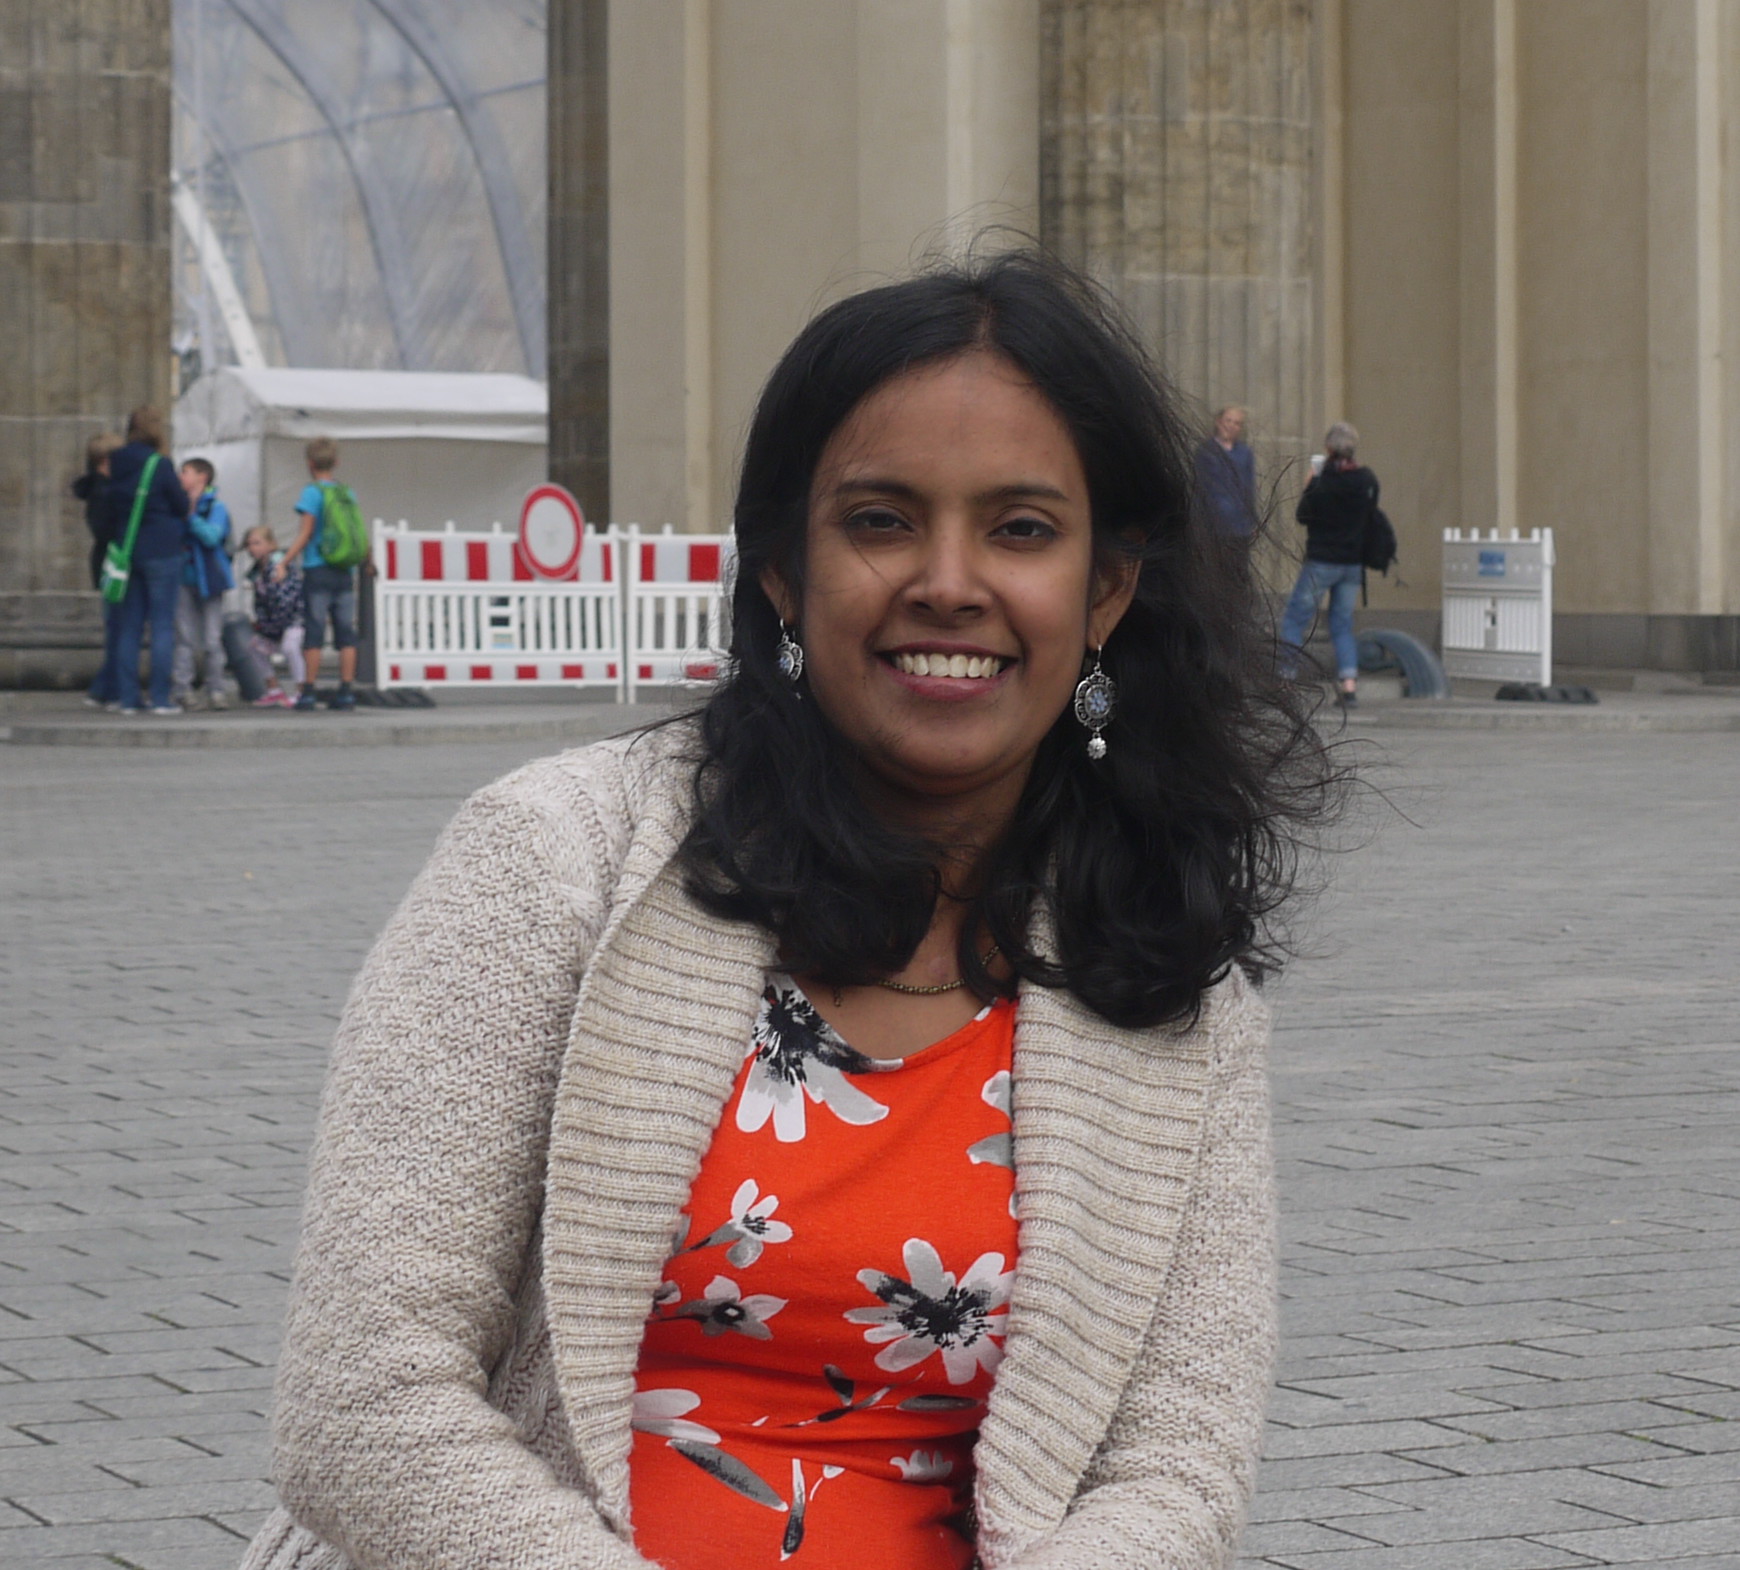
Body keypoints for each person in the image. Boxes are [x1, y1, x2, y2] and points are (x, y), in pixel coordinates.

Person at [236, 253, 1337, 1570]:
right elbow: (362, 1402)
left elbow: (1179, 1467)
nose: (949, 581)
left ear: (1106, 589)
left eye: (1021, 529)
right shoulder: (552, 862)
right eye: (880, 520)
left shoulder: (1167, 966)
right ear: (780, 572)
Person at [1280, 422, 1379, 708]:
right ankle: (1349, 686)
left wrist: (1309, 484)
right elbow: (1370, 515)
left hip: (1322, 560)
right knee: (1342, 625)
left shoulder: (1323, 482)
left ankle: (1286, 680)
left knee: (1295, 619)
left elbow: (1303, 516)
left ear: (1328, 448)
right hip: (1351, 563)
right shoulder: (1366, 479)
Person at [107, 407, 192, 715]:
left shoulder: (117, 461)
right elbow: (180, 505)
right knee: (162, 626)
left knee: (129, 626)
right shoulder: (159, 463)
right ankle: (160, 698)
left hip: (128, 550)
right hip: (162, 549)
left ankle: (128, 699)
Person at [275, 436, 358, 711]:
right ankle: (346, 691)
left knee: (315, 630)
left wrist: (285, 561)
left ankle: (309, 691)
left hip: (318, 568)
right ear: (337, 462)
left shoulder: (311, 493)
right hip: (344, 570)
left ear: (310, 463)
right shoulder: (347, 493)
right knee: (346, 632)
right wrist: (367, 559)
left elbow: (306, 532)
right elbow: (356, 530)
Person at [171, 457, 236, 710]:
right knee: (184, 638)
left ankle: (216, 689)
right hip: (182, 578)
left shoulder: (216, 507)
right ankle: (182, 689)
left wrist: (190, 517)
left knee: (212, 639)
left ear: (202, 476)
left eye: (185, 472)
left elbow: (212, 537)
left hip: (210, 579)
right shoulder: (175, 505)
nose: (180, 477)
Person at [75, 432, 123, 709]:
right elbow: (104, 530)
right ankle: (108, 689)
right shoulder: (104, 490)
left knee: (117, 628)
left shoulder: (100, 488)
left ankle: (103, 688)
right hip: (111, 564)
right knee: (118, 629)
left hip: (105, 563)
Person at [241, 525, 307, 708]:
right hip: (273, 623)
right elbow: (261, 602)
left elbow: (286, 598)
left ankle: (302, 691)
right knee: (254, 647)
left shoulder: (280, 565)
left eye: (257, 543)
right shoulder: (257, 572)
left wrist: (274, 626)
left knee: (290, 647)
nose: (252, 548)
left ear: (271, 544)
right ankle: (273, 689)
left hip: (294, 618)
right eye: (249, 544)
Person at [1194, 404, 1257, 537]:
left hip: (1239, 524)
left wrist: (1252, 521)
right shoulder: (1205, 451)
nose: (1231, 426)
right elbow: (1199, 487)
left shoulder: (1245, 453)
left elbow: (1249, 488)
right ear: (1218, 422)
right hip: (1212, 524)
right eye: (1228, 421)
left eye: (1237, 423)